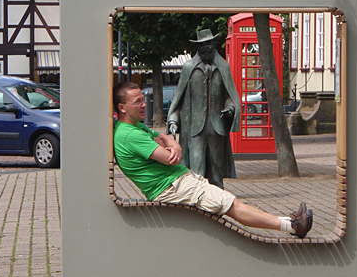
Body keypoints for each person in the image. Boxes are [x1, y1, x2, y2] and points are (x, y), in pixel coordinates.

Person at [113, 81, 313, 239]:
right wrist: (175, 145)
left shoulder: (136, 127)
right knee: (231, 204)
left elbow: (162, 138)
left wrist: (168, 140)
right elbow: (170, 158)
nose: (144, 105)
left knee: (228, 202)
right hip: (171, 187)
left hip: (177, 182)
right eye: (138, 101)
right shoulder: (130, 134)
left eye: (142, 99)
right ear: (122, 108)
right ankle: (293, 226)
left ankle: (290, 220)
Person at [166, 29, 240, 189]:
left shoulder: (223, 67)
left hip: (217, 128)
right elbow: (179, 98)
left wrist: (230, 107)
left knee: (216, 171)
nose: (206, 47)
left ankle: (219, 201)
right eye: (203, 45)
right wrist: (173, 120)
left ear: (213, 44)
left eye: (209, 44)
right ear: (198, 47)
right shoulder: (189, 68)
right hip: (194, 129)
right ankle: (196, 200)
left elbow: (230, 95)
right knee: (196, 169)